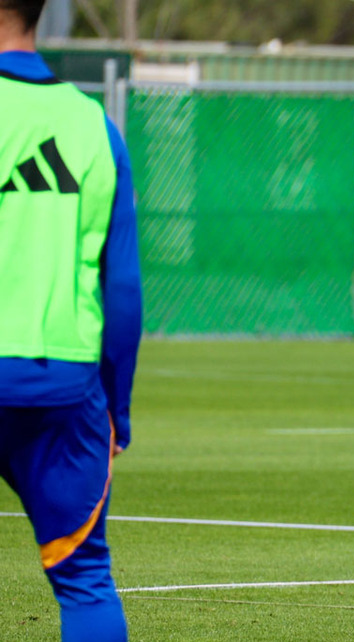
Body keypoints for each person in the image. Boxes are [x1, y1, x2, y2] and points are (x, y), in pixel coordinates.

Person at [0, 1, 142, 641]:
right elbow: (123, 290)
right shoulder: (94, 127)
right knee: (84, 581)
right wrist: (120, 406)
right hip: (62, 383)